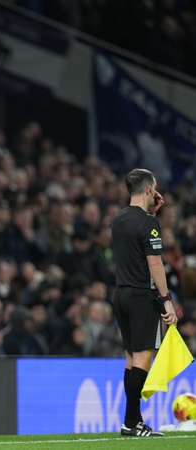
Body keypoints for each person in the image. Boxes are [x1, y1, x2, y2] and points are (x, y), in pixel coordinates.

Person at [111, 168, 178, 437]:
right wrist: (166, 300)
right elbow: (154, 264)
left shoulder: (118, 219)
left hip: (122, 295)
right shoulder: (148, 223)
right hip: (142, 297)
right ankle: (131, 422)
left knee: (131, 359)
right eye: (155, 188)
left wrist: (151, 216)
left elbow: (135, 245)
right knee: (142, 359)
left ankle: (133, 421)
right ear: (149, 189)